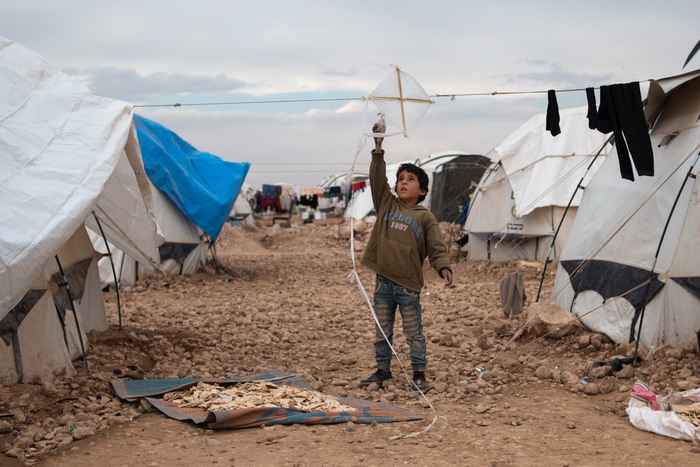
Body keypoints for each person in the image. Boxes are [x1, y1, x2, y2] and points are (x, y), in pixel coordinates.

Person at [358, 126, 453, 393]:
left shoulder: (425, 217)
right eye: (400, 178)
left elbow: (436, 247)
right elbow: (377, 180)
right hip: (383, 283)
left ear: (422, 190)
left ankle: (419, 374)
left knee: (413, 332)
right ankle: (382, 371)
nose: (403, 182)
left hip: (408, 286)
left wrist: (442, 266)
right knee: (382, 331)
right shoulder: (387, 204)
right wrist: (378, 149)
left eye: (410, 179)